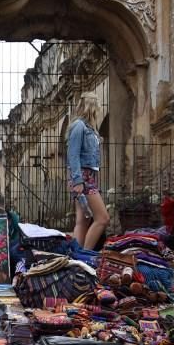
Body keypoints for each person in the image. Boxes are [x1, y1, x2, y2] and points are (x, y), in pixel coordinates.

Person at [66, 92, 109, 249]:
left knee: (82, 220)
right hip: (83, 178)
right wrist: (77, 181)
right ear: (92, 107)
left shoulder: (89, 128)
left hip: (86, 177)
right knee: (102, 218)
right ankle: (86, 255)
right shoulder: (79, 126)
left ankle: (77, 256)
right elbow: (73, 154)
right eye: (97, 107)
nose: (98, 110)